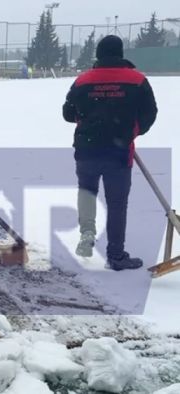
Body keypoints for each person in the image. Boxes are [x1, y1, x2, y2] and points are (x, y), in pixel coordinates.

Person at [62, 35, 157, 271]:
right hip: (119, 152)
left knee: (87, 193)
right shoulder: (137, 80)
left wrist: (86, 120)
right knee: (116, 203)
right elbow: (150, 113)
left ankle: (87, 233)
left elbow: (67, 112)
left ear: (99, 54)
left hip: (87, 150)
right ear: (121, 53)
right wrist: (133, 130)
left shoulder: (83, 81)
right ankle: (116, 254)